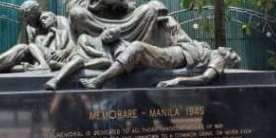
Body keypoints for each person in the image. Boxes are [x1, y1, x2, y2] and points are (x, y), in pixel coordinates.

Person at [80, 17, 240, 89]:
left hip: (173, 58)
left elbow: (205, 78)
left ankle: (99, 80)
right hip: (171, 51)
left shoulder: (217, 58)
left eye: (231, 54)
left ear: (227, 61)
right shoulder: (205, 46)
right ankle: (101, 60)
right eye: (231, 50)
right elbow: (183, 39)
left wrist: (177, 80)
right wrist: (172, 25)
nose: (229, 50)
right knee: (120, 43)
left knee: (137, 47)